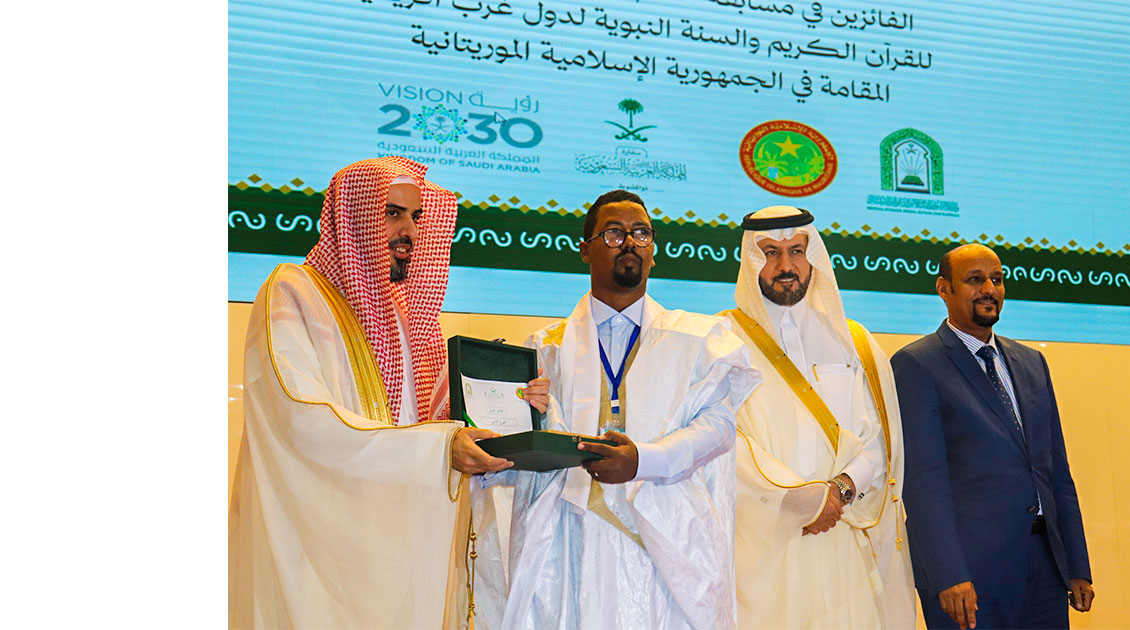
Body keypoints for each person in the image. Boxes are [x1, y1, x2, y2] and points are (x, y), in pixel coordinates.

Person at [229, 156, 548, 628]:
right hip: (323, 550)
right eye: (392, 213)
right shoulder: (293, 293)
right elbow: (303, 421)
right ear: (353, 217)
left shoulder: (409, 316)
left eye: (416, 216)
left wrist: (514, 403)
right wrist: (440, 448)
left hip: (405, 545)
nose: (409, 231)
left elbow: (435, 420)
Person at [486, 189, 760, 629]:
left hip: (666, 540)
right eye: (614, 233)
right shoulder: (545, 347)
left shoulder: (696, 340)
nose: (630, 243)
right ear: (585, 249)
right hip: (570, 538)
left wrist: (644, 460)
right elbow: (523, 443)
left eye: (641, 234)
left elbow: (720, 426)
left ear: (653, 251)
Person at [722, 206, 917, 628]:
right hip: (763, 546)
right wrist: (802, 501)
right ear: (751, 260)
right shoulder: (722, 342)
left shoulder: (853, 341)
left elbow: (880, 438)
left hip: (842, 534)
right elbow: (723, 443)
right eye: (770, 252)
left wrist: (840, 491)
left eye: (797, 251)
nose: (785, 265)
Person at [890, 243, 1094, 630]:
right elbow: (922, 481)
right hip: (970, 575)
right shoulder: (917, 364)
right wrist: (948, 574)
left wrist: (1076, 564)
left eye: (997, 280)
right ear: (943, 288)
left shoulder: (1031, 362)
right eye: (974, 280)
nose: (989, 289)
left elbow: (1057, 471)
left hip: (1045, 569)